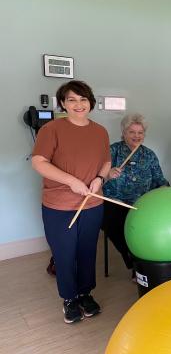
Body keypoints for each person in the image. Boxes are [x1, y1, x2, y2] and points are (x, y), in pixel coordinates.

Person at [32, 80, 111, 324]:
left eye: (83, 99)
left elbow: (106, 162)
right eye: (72, 100)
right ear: (63, 104)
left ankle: (86, 293)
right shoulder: (51, 129)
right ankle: (69, 298)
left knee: (87, 251)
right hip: (59, 206)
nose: (78, 104)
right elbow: (39, 162)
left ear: (91, 103)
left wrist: (99, 178)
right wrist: (71, 182)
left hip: (92, 204)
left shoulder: (100, 131)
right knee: (65, 254)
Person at [103, 113, 168, 277]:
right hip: (113, 202)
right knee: (117, 221)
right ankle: (135, 263)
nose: (136, 136)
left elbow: (160, 180)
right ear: (124, 133)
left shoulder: (149, 155)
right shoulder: (113, 151)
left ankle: (152, 260)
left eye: (140, 133)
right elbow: (96, 179)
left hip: (142, 203)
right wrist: (107, 174)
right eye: (132, 132)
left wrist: (166, 190)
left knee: (152, 223)